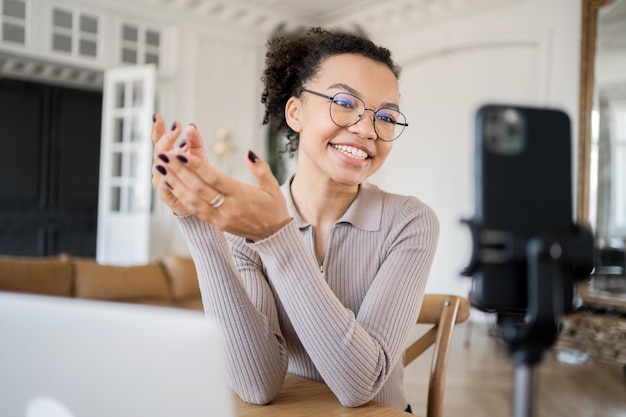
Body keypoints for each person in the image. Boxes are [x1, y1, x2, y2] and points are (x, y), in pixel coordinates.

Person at [151, 27, 439, 413]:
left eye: (386, 116)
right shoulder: (249, 221)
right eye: (343, 101)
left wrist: (277, 238)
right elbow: (257, 384)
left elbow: (359, 387)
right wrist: (198, 223)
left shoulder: (410, 222)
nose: (367, 129)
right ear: (295, 112)